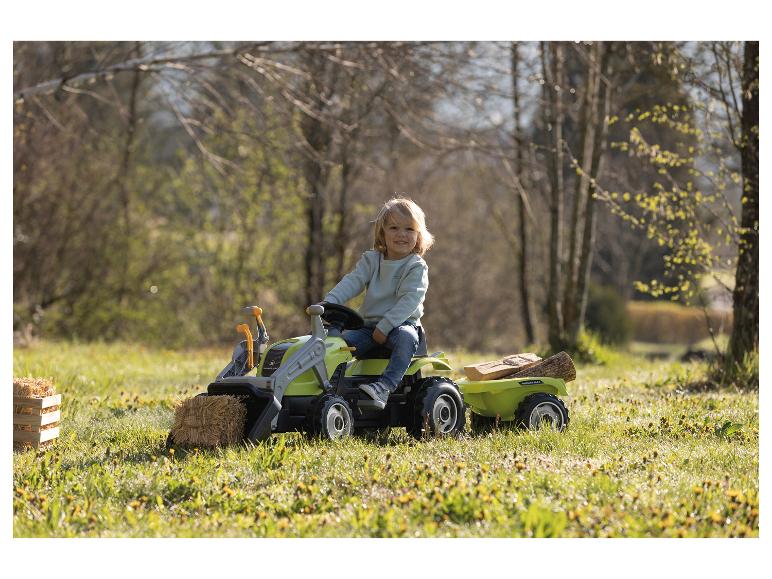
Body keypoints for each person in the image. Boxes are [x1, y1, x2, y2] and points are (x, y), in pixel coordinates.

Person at [323, 197, 434, 409]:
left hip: (401, 325)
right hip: (368, 328)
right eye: (394, 228)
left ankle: (384, 386)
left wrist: (386, 326)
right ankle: (330, 387)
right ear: (382, 232)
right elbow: (352, 282)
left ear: (419, 235)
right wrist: (329, 302)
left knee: (407, 338)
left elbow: (410, 300)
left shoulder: (415, 266)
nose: (401, 234)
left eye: (409, 229)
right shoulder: (372, 260)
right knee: (337, 345)